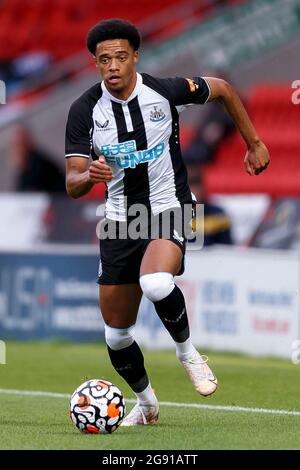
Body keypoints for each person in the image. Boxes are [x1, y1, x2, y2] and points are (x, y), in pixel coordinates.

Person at [65, 19, 270, 427]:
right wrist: (90, 176)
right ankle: (146, 405)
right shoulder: (84, 111)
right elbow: (72, 181)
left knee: (156, 282)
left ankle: (188, 353)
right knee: (116, 335)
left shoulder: (163, 91)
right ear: (96, 65)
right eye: (104, 60)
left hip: (171, 205)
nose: (113, 66)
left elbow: (225, 89)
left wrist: (255, 142)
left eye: (120, 57)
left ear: (135, 57)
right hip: (121, 220)